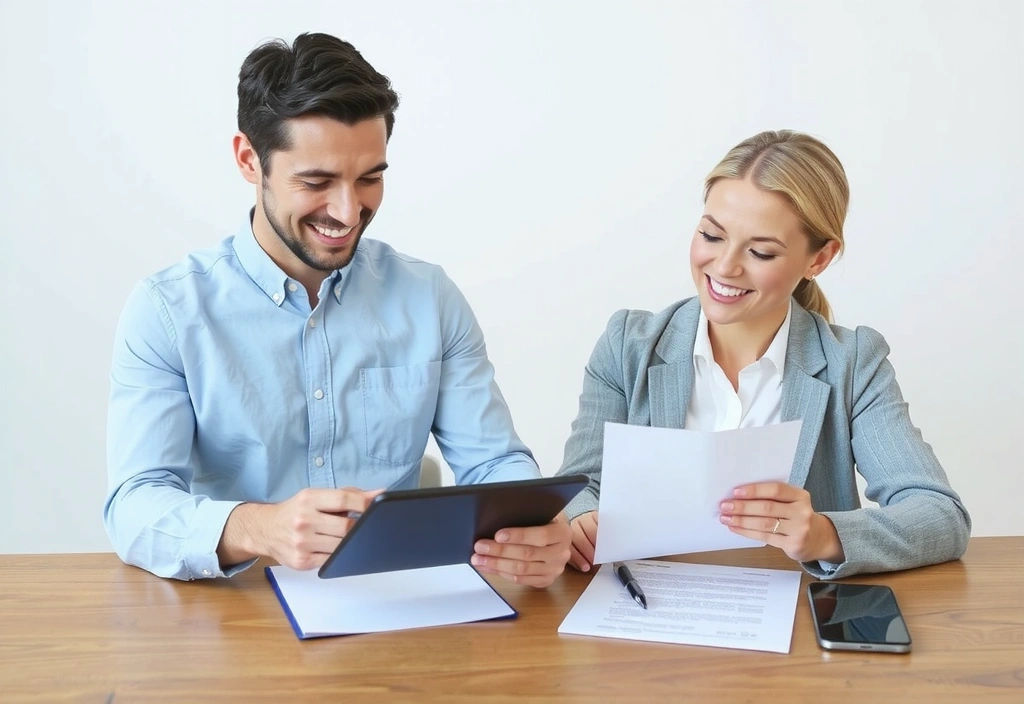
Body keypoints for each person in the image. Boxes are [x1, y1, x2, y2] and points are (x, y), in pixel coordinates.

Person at [104, 32, 571, 585]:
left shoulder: (430, 297)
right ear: (250, 160)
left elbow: (495, 463)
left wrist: (538, 526)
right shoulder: (167, 311)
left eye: (370, 177)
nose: (349, 211)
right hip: (237, 617)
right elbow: (134, 505)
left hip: (400, 607)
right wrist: (261, 528)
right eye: (317, 181)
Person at [556, 130, 970, 580]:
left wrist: (823, 534)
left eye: (760, 251)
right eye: (712, 236)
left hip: (791, 625)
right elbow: (580, 486)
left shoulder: (852, 363)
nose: (725, 266)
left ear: (819, 260)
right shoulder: (628, 345)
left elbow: (941, 517)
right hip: (648, 610)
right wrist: (582, 517)